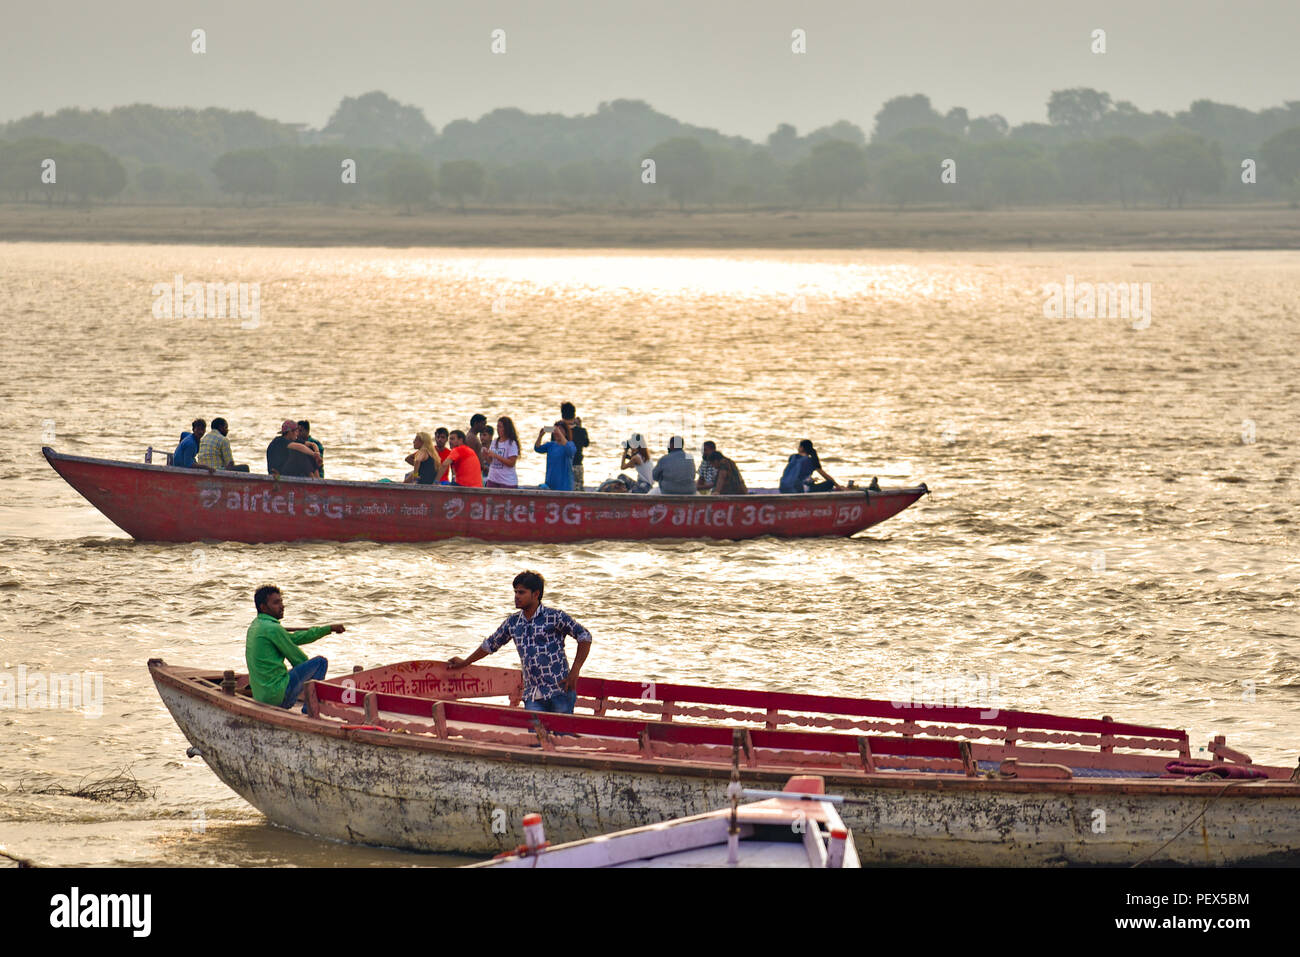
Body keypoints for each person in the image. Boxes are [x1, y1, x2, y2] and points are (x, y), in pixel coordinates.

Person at [447, 571, 591, 714]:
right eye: (515, 592)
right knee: (535, 736)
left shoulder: (554, 617)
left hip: (559, 691)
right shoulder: (513, 622)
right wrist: (465, 662)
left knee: (562, 735)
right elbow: (490, 645)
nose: (516, 596)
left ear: (536, 594)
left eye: (521, 592)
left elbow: (585, 637)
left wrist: (575, 671)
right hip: (532, 695)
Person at [245, 584, 345, 713]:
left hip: (261, 696)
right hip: (276, 696)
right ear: (263, 607)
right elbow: (299, 660)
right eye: (276, 603)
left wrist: (328, 629)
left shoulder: (256, 625)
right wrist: (309, 673)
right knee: (320, 663)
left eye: (281, 601)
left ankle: (308, 703)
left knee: (306, 669)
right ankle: (309, 710)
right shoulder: (273, 629)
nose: (282, 606)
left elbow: (296, 638)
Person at [780, 439, 847, 493]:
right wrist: (838, 487)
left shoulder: (792, 457)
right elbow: (825, 476)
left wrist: (811, 480)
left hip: (783, 487)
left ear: (801, 448)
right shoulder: (811, 461)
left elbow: (796, 474)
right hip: (801, 490)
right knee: (830, 483)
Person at [534, 421, 576, 491]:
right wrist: (540, 436)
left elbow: (571, 451)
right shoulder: (551, 445)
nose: (556, 433)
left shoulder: (570, 444)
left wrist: (559, 433)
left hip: (564, 486)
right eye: (555, 430)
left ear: (565, 432)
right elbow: (537, 448)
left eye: (560, 429)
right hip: (550, 484)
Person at [481, 416, 520, 488]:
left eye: (500, 427)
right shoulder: (494, 442)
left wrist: (496, 455)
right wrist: (486, 455)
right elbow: (491, 461)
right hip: (492, 479)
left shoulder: (511, 443)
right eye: (497, 427)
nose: (498, 429)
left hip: (507, 481)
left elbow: (511, 463)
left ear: (506, 428)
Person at [561, 402, 590, 491]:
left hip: (563, 465)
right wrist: (580, 426)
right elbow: (586, 443)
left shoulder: (558, 431)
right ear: (574, 415)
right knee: (578, 491)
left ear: (562, 415)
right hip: (577, 464)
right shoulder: (581, 431)